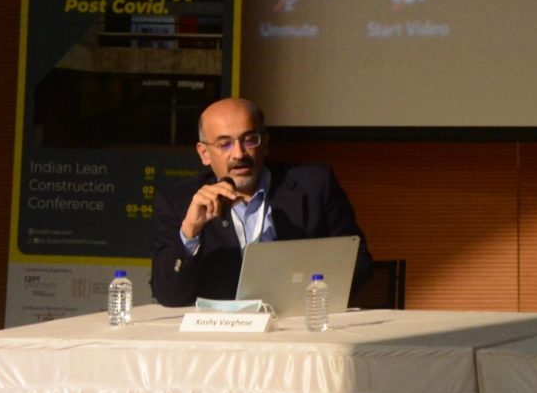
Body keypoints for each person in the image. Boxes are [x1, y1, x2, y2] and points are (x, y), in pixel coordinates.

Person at [148, 97, 372, 307]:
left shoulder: (315, 186)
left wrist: (310, 302)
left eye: (249, 140)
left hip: (298, 321)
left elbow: (357, 261)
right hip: (219, 330)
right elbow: (168, 295)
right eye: (225, 144)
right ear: (204, 153)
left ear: (265, 143)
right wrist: (190, 232)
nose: (239, 154)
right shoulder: (178, 201)